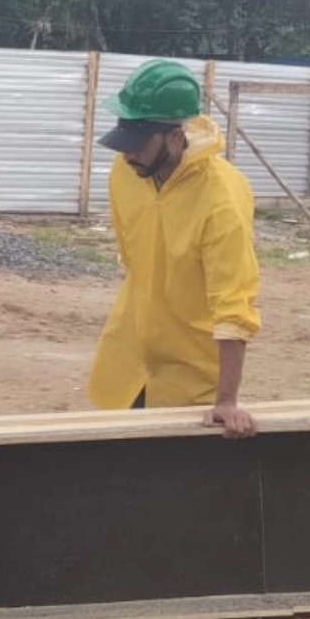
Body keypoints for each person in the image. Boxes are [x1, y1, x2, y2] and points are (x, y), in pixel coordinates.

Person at [89, 59, 261, 439]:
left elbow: (233, 304)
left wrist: (227, 400)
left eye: (137, 143)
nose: (127, 154)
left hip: (190, 380)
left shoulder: (221, 199)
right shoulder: (126, 173)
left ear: (175, 137)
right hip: (127, 366)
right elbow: (133, 259)